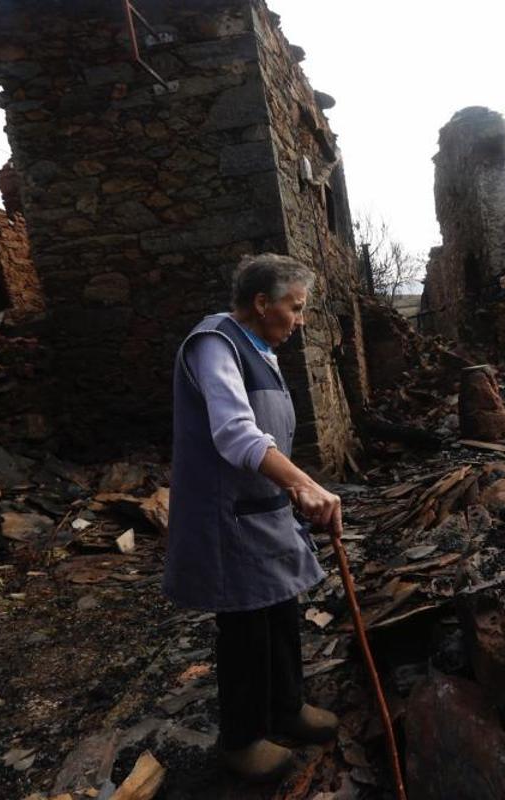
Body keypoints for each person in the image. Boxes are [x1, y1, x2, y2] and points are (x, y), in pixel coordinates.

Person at [164, 252, 343, 781]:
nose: (300, 320)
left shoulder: (261, 351)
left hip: (264, 511)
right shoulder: (215, 345)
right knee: (246, 627)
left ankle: (287, 706)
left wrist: (294, 489)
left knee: (281, 611)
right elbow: (236, 433)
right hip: (229, 518)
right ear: (262, 302)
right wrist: (303, 484)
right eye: (296, 307)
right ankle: (241, 740)